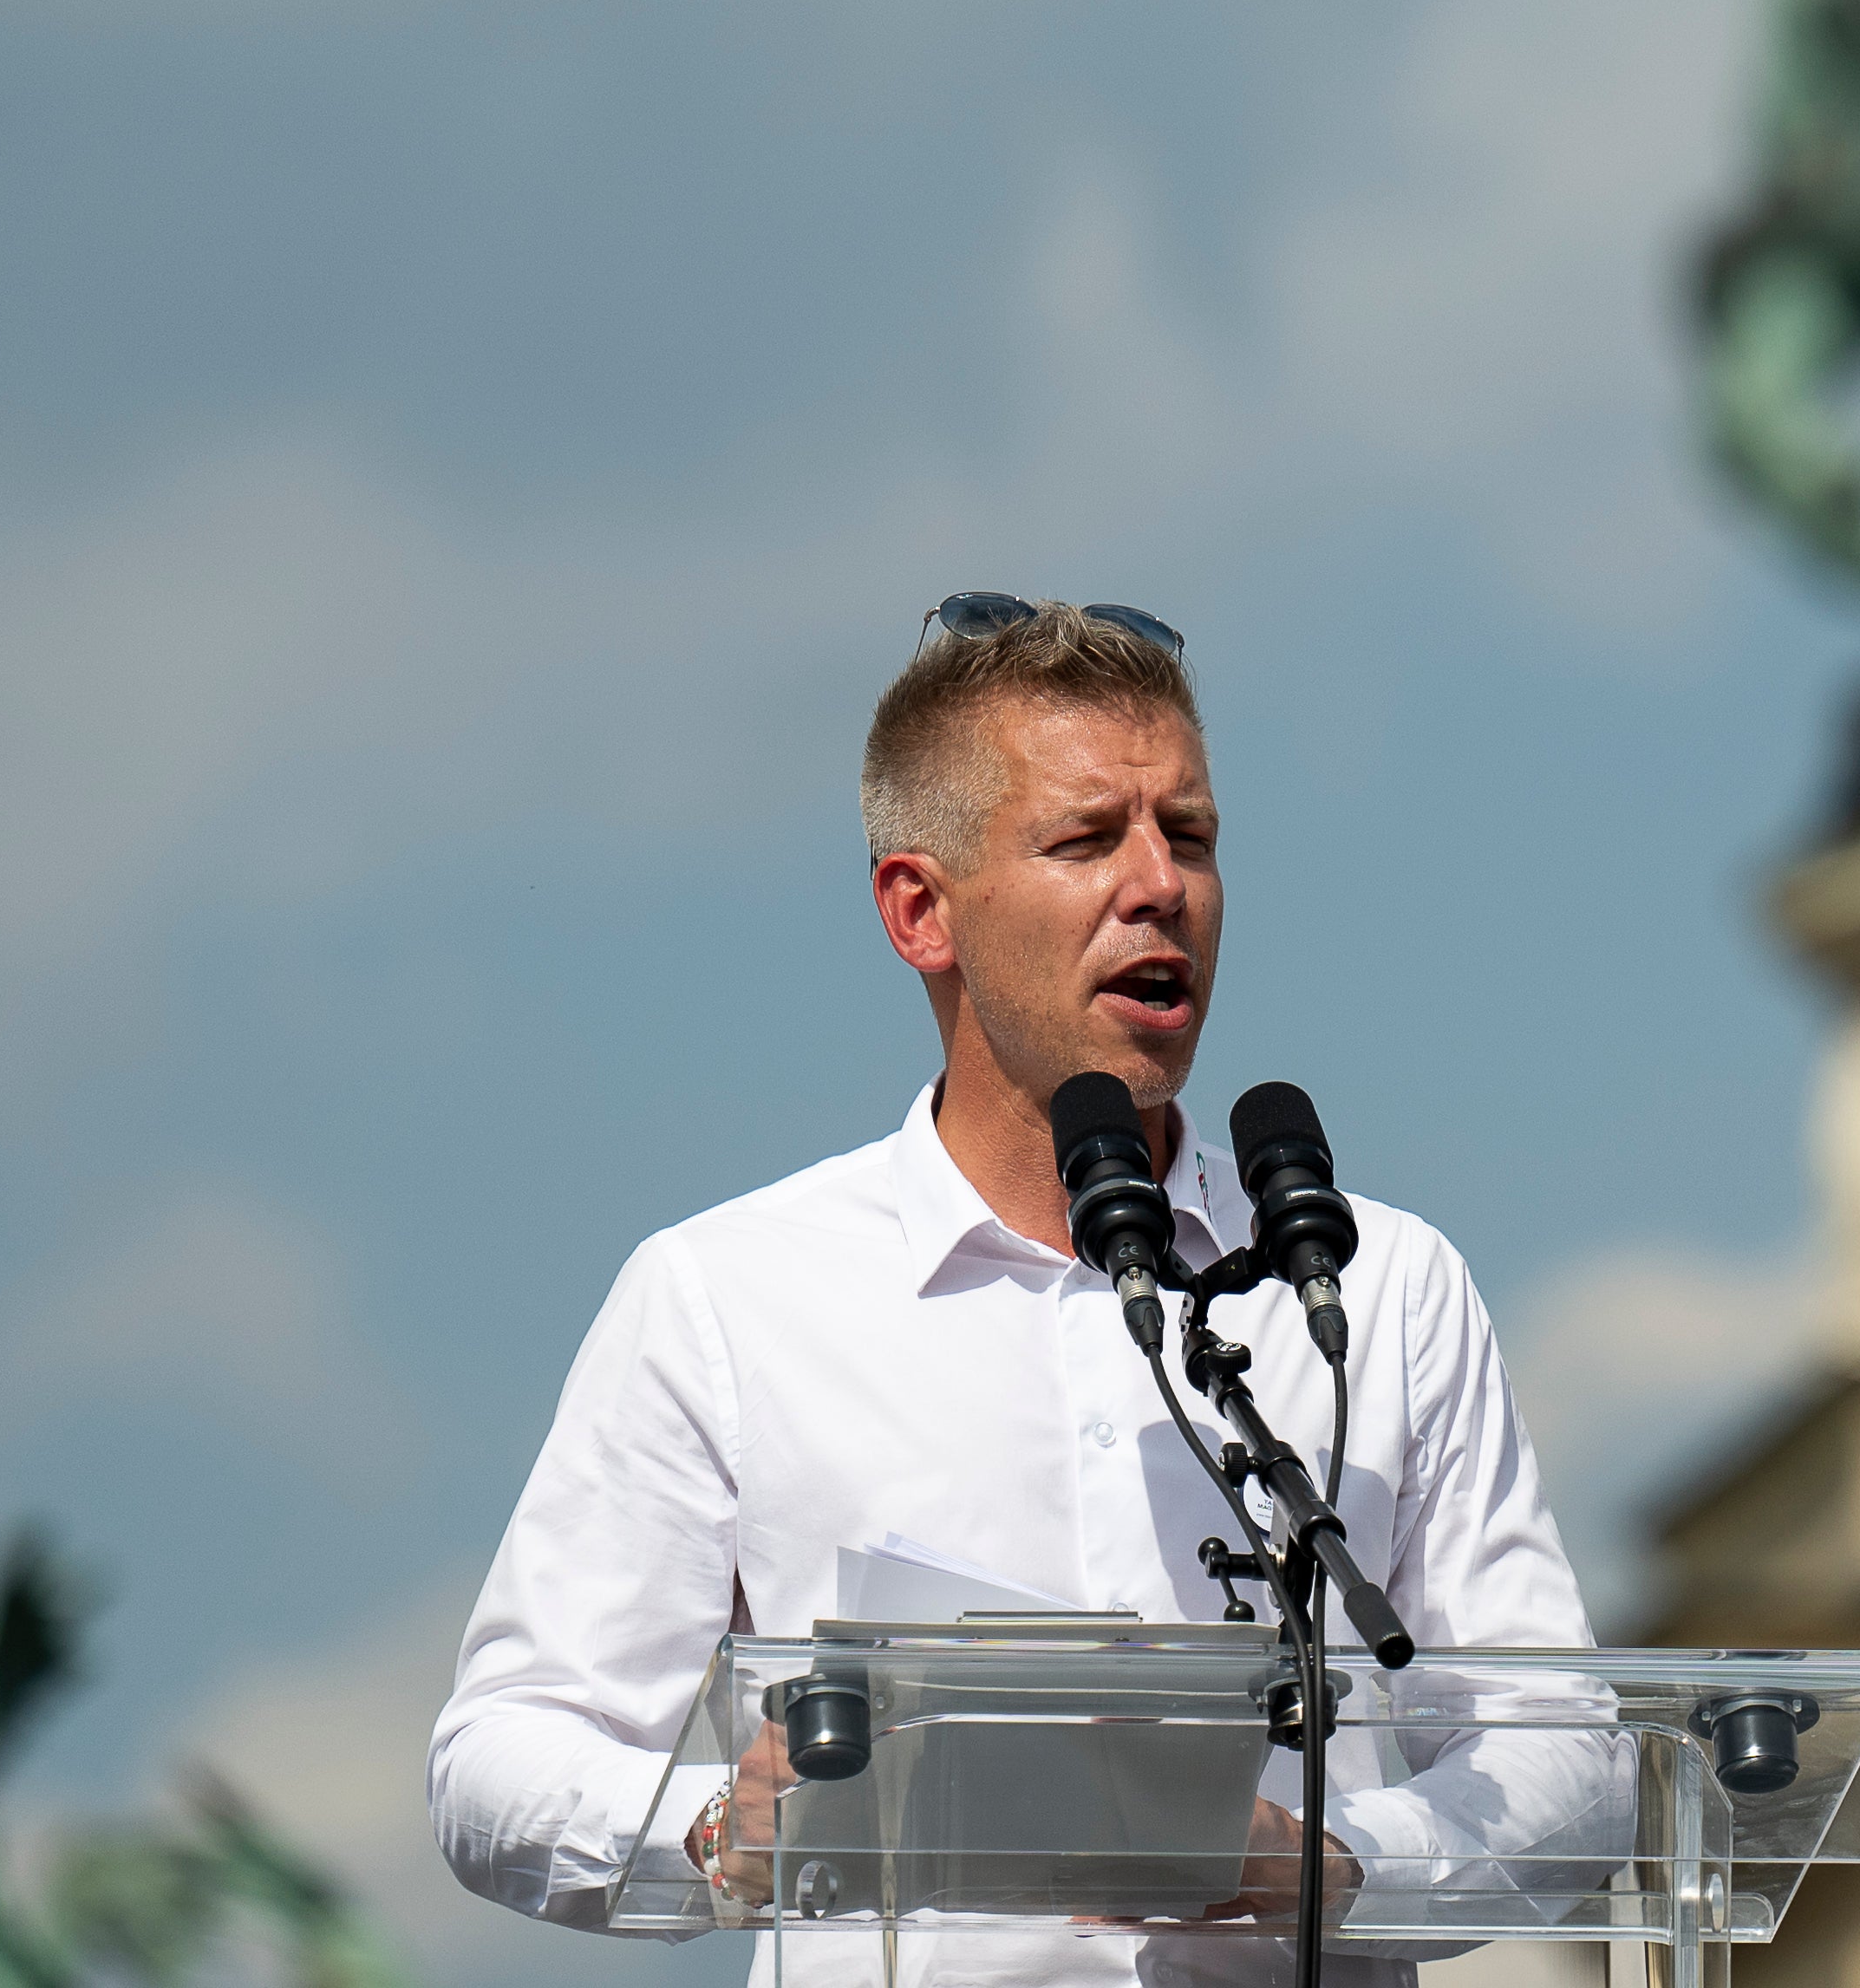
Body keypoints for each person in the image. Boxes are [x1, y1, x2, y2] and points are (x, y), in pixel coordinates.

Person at [428, 595, 1595, 1983]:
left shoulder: (1373, 1286)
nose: (1159, 885)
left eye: (1194, 836)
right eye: (1088, 838)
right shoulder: (727, 1297)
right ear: (922, 911)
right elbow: (499, 1754)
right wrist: (711, 1829)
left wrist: (1341, 1862)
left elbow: (1563, 1757)